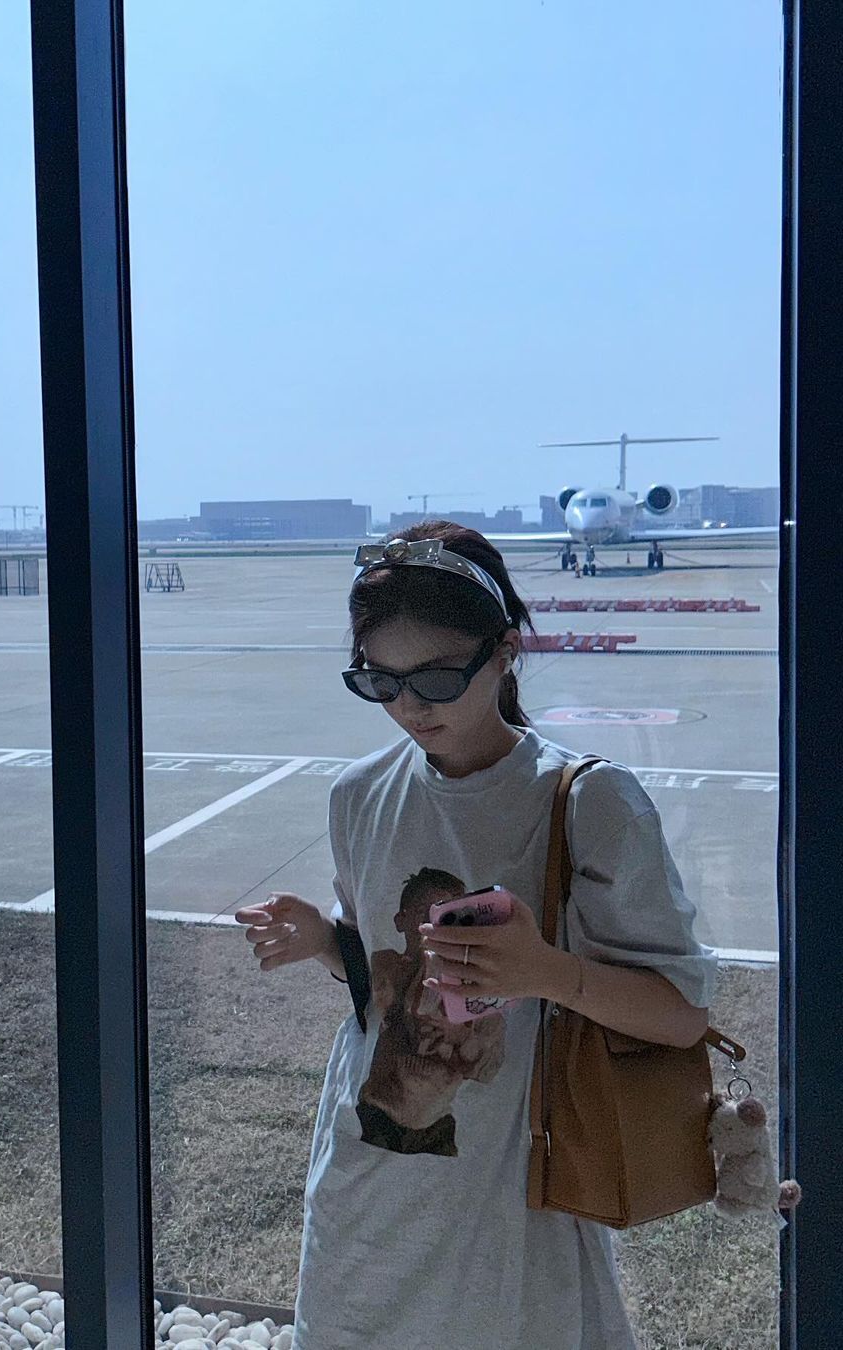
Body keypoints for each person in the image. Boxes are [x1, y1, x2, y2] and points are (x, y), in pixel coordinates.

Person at [235, 520, 716, 1349]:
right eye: (380, 681)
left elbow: (681, 1016)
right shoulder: (358, 795)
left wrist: (545, 972)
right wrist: (326, 942)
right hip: (365, 1179)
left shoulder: (588, 802)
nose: (410, 707)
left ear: (505, 652)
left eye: (436, 678)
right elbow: (388, 990)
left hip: (516, 1194)